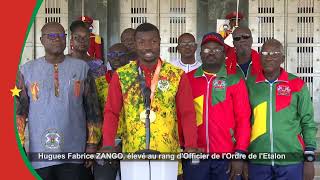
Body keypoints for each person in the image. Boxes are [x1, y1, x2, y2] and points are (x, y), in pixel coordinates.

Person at [101, 22, 199, 180]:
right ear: (135, 44)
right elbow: (111, 112)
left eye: (153, 41)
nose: (147, 47)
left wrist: (191, 145)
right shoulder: (122, 75)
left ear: (160, 41)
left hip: (167, 153)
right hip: (132, 154)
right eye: (141, 42)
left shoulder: (176, 75)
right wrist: (107, 144)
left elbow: (187, 113)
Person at [15, 22, 102, 180]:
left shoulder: (81, 68)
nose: (57, 40)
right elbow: (19, 112)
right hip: (40, 154)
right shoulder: (27, 70)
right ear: (42, 40)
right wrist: (18, 146)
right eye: (52, 36)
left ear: (66, 40)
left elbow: (93, 110)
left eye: (61, 36)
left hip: (74, 150)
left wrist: (92, 143)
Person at [244, 39, 317, 180]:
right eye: (265, 53)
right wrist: (243, 157)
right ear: (259, 57)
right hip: (258, 160)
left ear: (282, 59)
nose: (269, 57)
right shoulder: (250, 85)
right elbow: (242, 122)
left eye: (275, 53)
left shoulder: (297, 84)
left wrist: (309, 159)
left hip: (291, 160)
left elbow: (307, 122)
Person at [183, 32, 251, 180]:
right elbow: (180, 117)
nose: (211, 53)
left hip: (226, 156)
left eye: (217, 49)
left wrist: (239, 153)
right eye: (207, 49)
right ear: (200, 53)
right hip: (195, 156)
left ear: (224, 54)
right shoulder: (187, 80)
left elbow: (243, 120)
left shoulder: (234, 80)